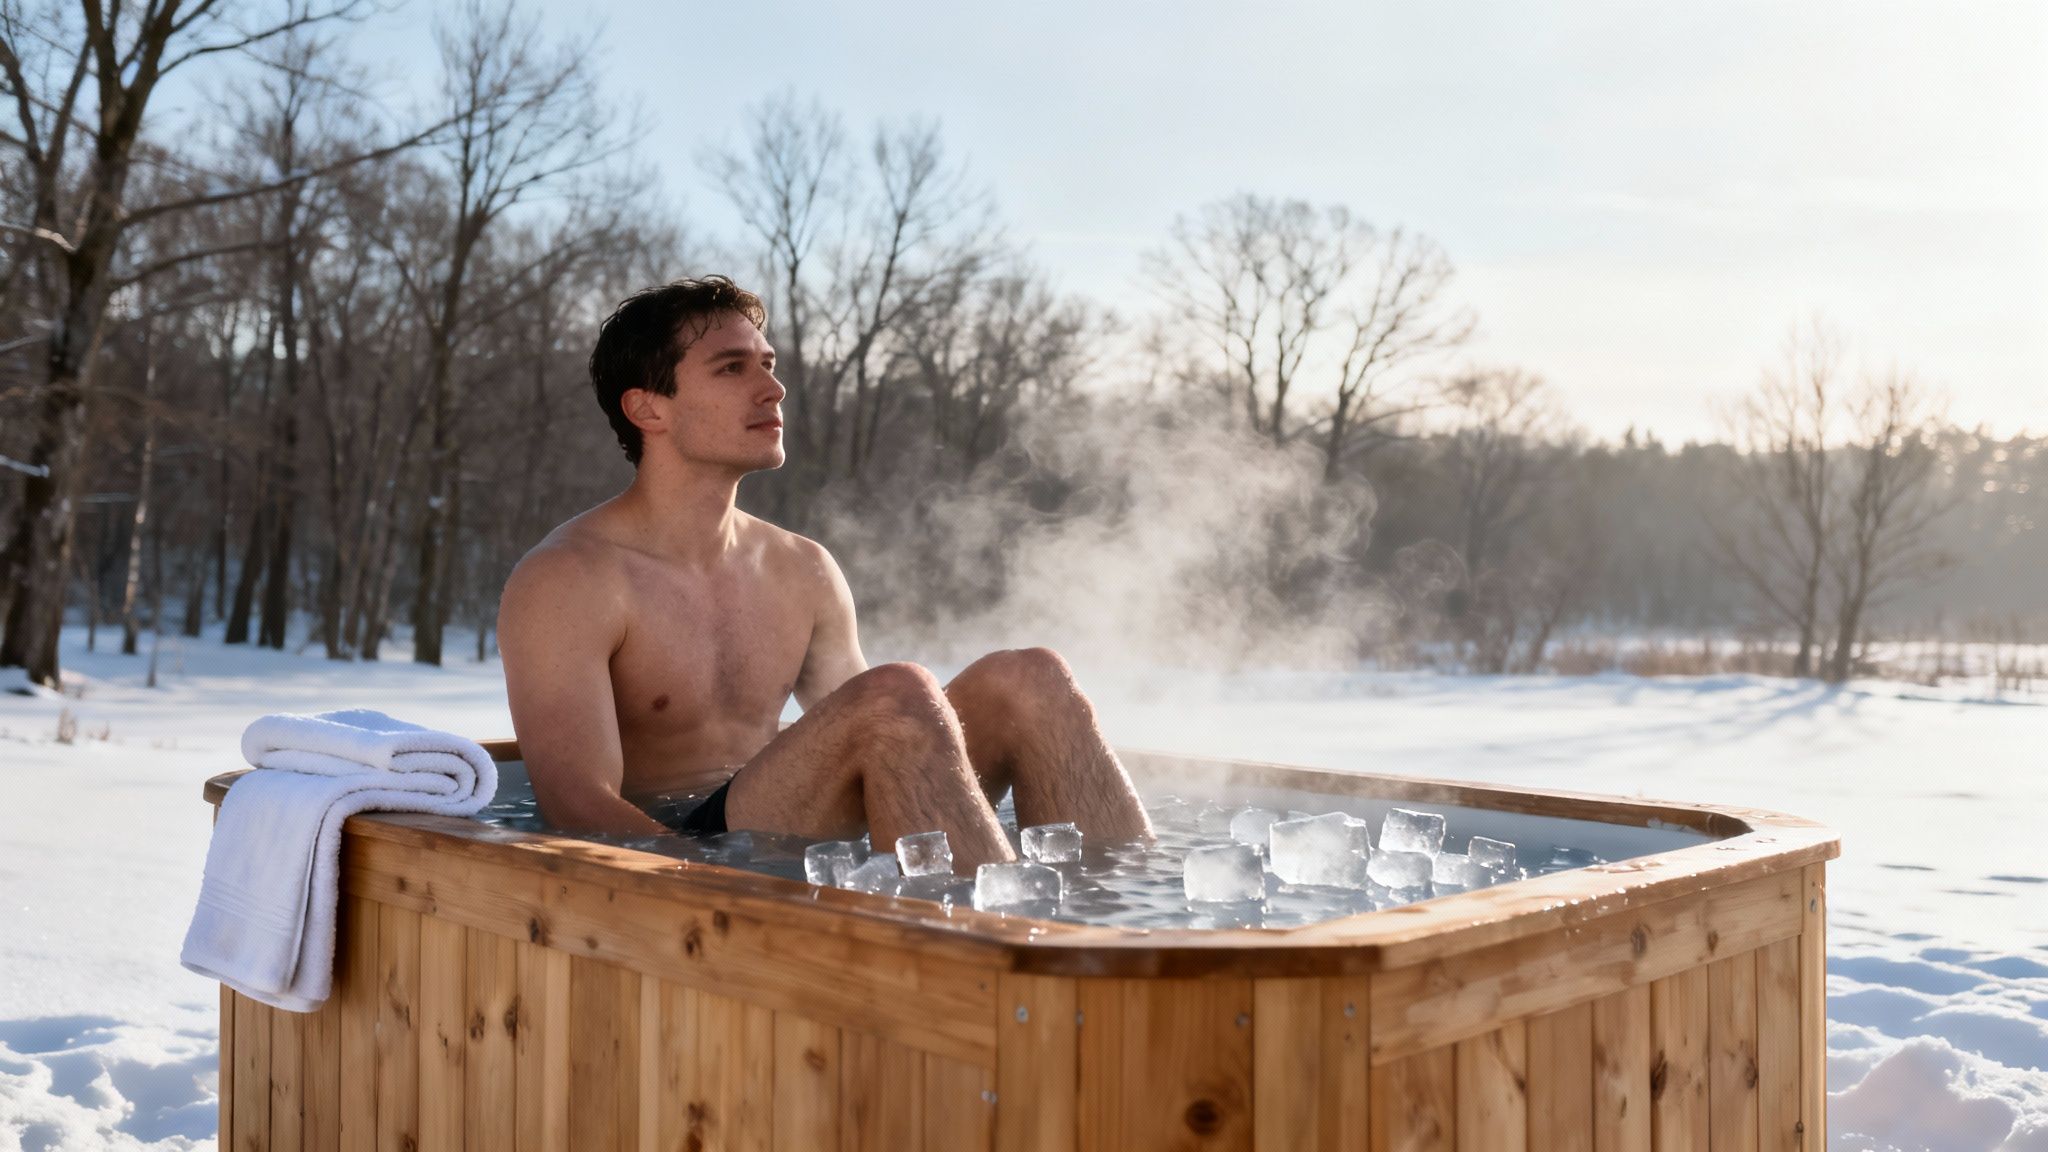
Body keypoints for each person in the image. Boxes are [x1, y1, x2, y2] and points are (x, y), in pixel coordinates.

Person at [497, 276, 1151, 871]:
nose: (773, 389)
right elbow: (575, 803)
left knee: (1030, 678)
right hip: (685, 851)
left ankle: (1127, 934)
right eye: (732, 369)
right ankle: (989, 968)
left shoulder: (800, 567)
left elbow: (897, 742)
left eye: (768, 365)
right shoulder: (569, 579)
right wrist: (720, 893)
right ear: (649, 411)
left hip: (793, 822)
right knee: (894, 694)